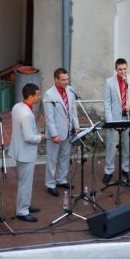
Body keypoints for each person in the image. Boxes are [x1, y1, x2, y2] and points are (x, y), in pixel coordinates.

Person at [103, 58, 130, 183]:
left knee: (128, 144)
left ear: (127, 68)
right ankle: (108, 171)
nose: (123, 71)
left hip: (129, 117)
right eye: (120, 69)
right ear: (116, 69)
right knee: (111, 145)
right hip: (114, 119)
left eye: (125, 69)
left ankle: (126, 169)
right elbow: (107, 102)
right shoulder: (109, 82)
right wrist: (109, 121)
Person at [8, 83, 44, 222]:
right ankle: (22, 211)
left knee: (24, 181)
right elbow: (29, 137)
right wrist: (40, 137)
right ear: (30, 96)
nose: (39, 97)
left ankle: (25, 205)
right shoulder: (27, 114)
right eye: (37, 95)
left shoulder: (17, 107)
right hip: (26, 153)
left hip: (19, 149)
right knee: (25, 182)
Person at [42, 68, 79, 197]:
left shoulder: (70, 90)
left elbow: (73, 110)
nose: (66, 82)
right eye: (63, 80)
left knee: (65, 157)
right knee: (52, 160)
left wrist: (76, 126)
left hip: (68, 131)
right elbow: (49, 118)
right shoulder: (49, 95)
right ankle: (50, 184)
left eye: (67, 79)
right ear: (56, 80)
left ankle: (61, 179)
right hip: (56, 133)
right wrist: (54, 134)